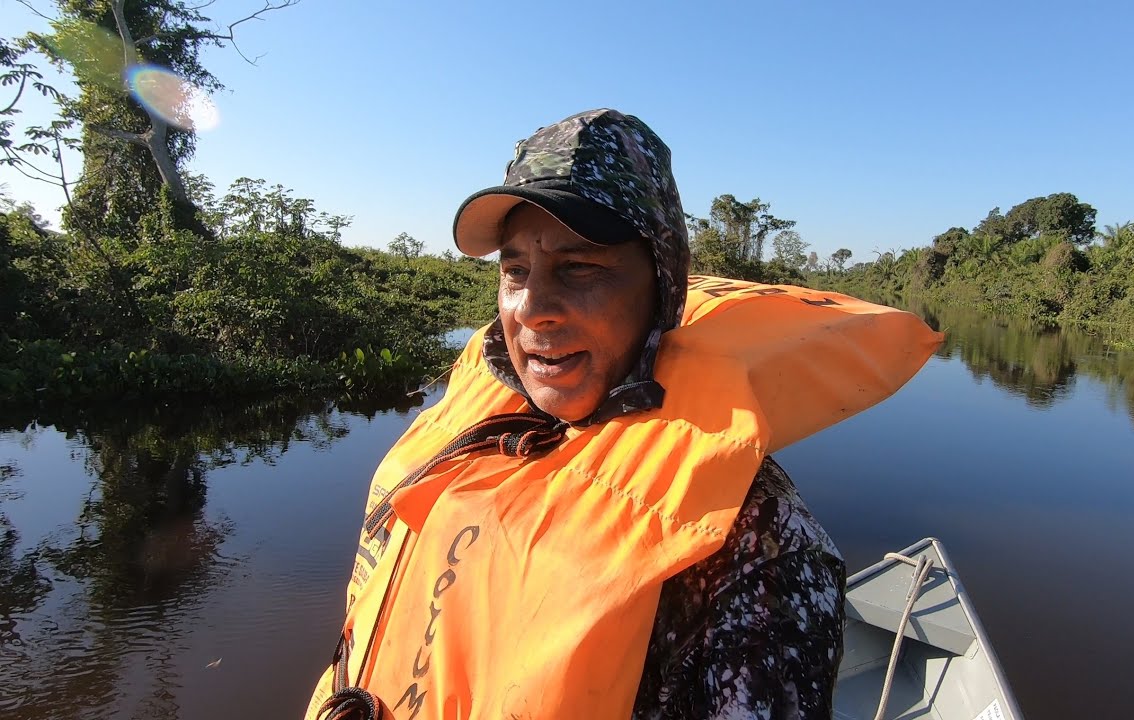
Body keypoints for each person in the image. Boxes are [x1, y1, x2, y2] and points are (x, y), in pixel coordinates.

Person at [306, 109, 939, 720]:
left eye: (579, 267)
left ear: (661, 283)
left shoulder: (757, 540)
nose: (531, 308)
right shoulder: (478, 438)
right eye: (515, 270)